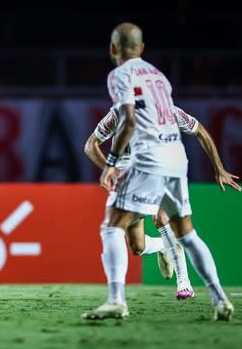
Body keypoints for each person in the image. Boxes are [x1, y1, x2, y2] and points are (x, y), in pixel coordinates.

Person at [82, 22, 239, 321]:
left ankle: (117, 300)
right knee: (179, 236)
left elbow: (129, 121)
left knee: (111, 225)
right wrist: (219, 168)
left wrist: (112, 164)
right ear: (142, 49)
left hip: (146, 160)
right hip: (176, 158)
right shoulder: (159, 79)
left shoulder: (119, 76)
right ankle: (219, 299)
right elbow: (199, 130)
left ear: (113, 49)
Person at [85, 105, 241, 300]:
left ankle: (184, 282)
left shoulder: (169, 112)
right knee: (137, 247)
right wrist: (111, 169)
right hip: (128, 178)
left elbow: (200, 130)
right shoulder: (118, 113)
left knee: (161, 216)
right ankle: (162, 246)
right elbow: (91, 145)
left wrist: (219, 168)